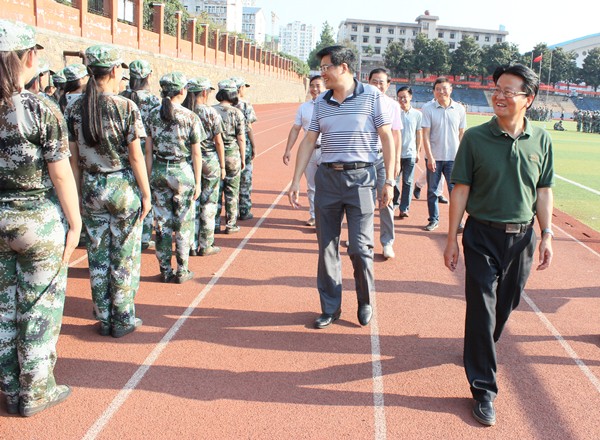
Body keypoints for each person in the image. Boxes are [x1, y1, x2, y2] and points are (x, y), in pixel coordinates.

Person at [444, 64, 554, 426]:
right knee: (482, 308)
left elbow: (543, 190)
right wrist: (452, 237)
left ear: (529, 99)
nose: (500, 96)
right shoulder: (475, 139)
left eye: (510, 91)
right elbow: (460, 189)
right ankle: (483, 389)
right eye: (497, 89)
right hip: (481, 235)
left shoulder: (541, 140)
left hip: (522, 238)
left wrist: (547, 233)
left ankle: (478, 347)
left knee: (505, 307)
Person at [0, 19, 81, 417]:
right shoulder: (40, 107)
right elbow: (61, 171)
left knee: (2, 307)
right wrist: (75, 220)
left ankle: (10, 387)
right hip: (37, 220)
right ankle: (34, 391)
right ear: (28, 57)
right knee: (38, 306)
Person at [288, 45, 394, 329]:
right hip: (328, 180)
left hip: (362, 179)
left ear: (343, 67)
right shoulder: (321, 102)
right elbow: (309, 140)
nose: (321, 73)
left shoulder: (372, 97)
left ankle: (365, 301)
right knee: (327, 247)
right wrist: (296, 178)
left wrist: (390, 181)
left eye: (326, 67)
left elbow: (387, 138)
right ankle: (331, 307)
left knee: (360, 248)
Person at [65, 44, 151, 338]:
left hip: (91, 186)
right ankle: (122, 316)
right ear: (114, 70)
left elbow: (73, 159)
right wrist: (146, 193)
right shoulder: (126, 107)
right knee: (124, 254)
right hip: (122, 186)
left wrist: (77, 194)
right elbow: (137, 156)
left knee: (97, 254)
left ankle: (103, 316)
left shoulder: (74, 107)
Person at [145, 72, 204, 283]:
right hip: (182, 173)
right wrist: (198, 181)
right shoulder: (190, 117)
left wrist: (149, 176)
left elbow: (148, 151)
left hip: (159, 170)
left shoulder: (152, 115)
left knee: (162, 225)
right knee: (183, 223)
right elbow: (196, 153)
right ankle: (182, 269)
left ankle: (165, 270)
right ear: (182, 91)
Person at [121, 59, 161, 250]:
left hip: (124, 153)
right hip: (145, 153)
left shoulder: (122, 96)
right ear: (148, 77)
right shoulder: (153, 100)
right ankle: (144, 235)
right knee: (146, 192)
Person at [184, 77, 226, 256]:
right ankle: (206, 243)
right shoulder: (210, 113)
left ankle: (191, 244)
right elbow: (218, 142)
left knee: (191, 202)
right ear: (203, 92)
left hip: (188, 160)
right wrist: (223, 166)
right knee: (209, 203)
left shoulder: (185, 111)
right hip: (209, 160)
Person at [421, 77, 466, 231]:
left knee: (455, 192)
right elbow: (425, 135)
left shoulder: (459, 109)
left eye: (444, 88)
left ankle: (458, 223)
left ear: (451, 89)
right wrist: (430, 157)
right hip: (434, 158)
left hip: (453, 158)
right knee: (433, 191)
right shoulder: (428, 108)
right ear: (434, 91)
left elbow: (461, 133)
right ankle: (433, 220)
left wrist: (462, 155)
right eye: (438, 89)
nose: (441, 92)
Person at [368, 68, 402, 259]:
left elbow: (395, 135)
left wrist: (396, 160)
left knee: (386, 200)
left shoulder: (393, 106)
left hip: (383, 158)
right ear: (368, 82)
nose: (378, 85)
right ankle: (362, 237)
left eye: (382, 82)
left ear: (388, 85)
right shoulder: (361, 102)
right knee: (362, 202)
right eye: (374, 81)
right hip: (364, 159)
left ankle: (387, 242)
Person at [283, 75, 326, 228]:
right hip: (310, 151)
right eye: (312, 86)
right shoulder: (304, 108)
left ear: (325, 86)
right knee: (312, 186)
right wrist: (288, 149)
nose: (315, 89)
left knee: (328, 186)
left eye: (318, 85)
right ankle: (314, 216)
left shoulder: (332, 105)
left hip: (328, 151)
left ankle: (327, 218)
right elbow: (295, 129)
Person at [213, 79, 246, 234]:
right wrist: (243, 157)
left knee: (215, 191)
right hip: (232, 155)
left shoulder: (211, 110)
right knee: (232, 191)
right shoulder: (237, 112)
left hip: (214, 155)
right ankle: (231, 224)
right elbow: (241, 137)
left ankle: (214, 223)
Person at [231, 77, 257, 221]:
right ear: (239, 88)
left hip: (228, 147)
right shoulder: (245, 105)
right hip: (243, 146)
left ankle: (231, 213)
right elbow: (249, 127)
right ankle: (244, 209)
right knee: (245, 179)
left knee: (230, 181)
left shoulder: (219, 107)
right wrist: (254, 145)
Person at [396, 86, 422, 218]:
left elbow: (418, 134)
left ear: (410, 97)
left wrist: (417, 151)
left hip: (410, 154)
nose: (402, 99)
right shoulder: (394, 113)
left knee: (408, 182)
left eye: (404, 97)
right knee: (394, 181)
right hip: (395, 154)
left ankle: (404, 208)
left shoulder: (417, 114)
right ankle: (394, 203)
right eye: (399, 97)